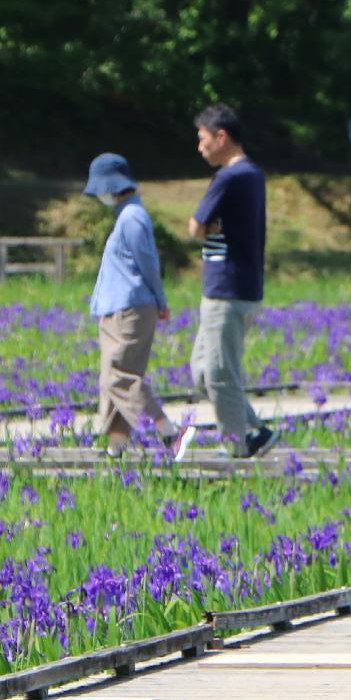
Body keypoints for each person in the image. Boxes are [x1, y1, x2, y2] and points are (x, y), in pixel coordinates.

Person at [187, 105, 275, 458]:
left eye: (203, 139)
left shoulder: (229, 177)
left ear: (221, 137)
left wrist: (208, 227)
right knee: (203, 371)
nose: (200, 147)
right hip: (239, 286)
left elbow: (194, 227)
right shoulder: (254, 173)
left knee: (220, 373)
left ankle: (237, 446)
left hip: (226, 288)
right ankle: (255, 429)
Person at [85, 152, 182, 456]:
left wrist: (161, 299)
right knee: (111, 376)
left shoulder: (132, 218)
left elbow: (149, 263)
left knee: (120, 376)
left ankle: (169, 430)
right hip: (116, 307)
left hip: (130, 308)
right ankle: (118, 445)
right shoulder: (126, 215)